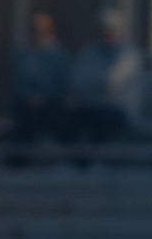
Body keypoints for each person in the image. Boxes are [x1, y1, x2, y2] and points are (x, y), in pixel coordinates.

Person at [58, 10, 144, 153]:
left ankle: (95, 162)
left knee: (102, 123)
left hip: (117, 110)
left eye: (110, 30)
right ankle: (77, 163)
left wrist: (92, 84)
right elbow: (76, 80)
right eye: (103, 30)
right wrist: (97, 83)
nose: (106, 34)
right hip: (90, 106)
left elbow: (111, 81)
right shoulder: (89, 52)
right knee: (65, 120)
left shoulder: (128, 54)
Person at [7, 12, 67, 143]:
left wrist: (42, 96)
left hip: (50, 100)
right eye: (34, 30)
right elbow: (18, 81)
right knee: (19, 110)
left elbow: (60, 82)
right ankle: (20, 154)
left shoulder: (56, 54)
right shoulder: (22, 54)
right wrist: (28, 96)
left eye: (42, 31)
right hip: (25, 100)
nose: (38, 35)